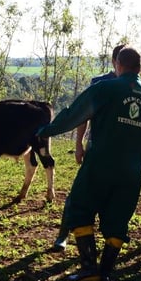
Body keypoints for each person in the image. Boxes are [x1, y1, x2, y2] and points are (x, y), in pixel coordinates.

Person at [37, 46, 141, 281]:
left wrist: (46, 131)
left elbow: (74, 114)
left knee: (80, 207)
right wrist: (138, 160)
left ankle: (88, 267)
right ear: (140, 68)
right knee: (118, 217)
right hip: (131, 169)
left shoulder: (105, 88)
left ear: (118, 65)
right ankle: (106, 272)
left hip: (101, 162)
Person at [49, 45, 125, 251]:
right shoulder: (99, 83)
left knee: (113, 199)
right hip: (96, 149)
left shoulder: (133, 86)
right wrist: (79, 144)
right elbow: (84, 116)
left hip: (121, 153)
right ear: (114, 62)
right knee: (79, 193)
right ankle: (63, 235)